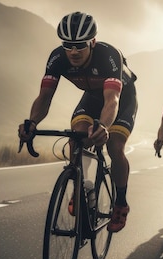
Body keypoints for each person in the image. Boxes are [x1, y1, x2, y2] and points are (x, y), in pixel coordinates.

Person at [18, 12, 138, 233]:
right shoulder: (57, 58)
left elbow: (112, 100)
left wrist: (103, 126)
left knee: (114, 146)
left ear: (92, 42)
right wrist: (31, 122)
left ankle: (120, 202)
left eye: (80, 45)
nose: (73, 51)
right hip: (92, 98)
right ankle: (81, 185)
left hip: (122, 100)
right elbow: (44, 97)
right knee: (77, 138)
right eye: (68, 44)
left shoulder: (108, 56)